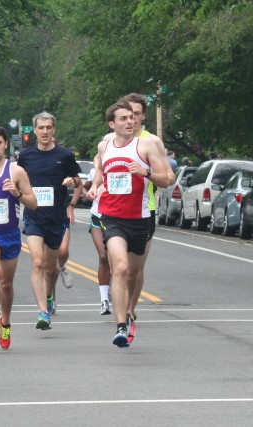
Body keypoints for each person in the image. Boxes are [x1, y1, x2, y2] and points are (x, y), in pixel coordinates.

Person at [87, 101, 169, 347]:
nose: (130, 122)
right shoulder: (104, 146)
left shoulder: (146, 146)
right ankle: (120, 325)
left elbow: (166, 179)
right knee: (119, 268)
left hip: (140, 217)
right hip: (111, 216)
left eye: (132, 117)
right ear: (112, 124)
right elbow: (101, 170)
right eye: (123, 118)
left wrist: (145, 173)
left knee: (133, 272)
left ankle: (130, 312)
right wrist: (94, 186)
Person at [17, 111, 81, 330]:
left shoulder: (64, 155)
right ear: (34, 130)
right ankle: (43, 311)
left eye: (48, 128)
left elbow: (80, 181)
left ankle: (50, 297)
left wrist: (72, 181)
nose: (44, 132)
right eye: (40, 128)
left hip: (56, 217)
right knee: (37, 262)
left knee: (51, 268)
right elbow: (18, 180)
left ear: (54, 130)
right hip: (34, 215)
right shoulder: (26, 156)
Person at [0, 125, 37, 349]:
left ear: (5, 144)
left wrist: (17, 193)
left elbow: (34, 204)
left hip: (10, 235)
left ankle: (7, 322)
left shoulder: (16, 172)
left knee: (6, 283)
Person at [46, 137, 81, 315]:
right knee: (47, 265)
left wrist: (72, 206)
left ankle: (63, 266)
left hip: (60, 213)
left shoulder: (64, 157)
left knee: (62, 251)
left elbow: (78, 183)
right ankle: (50, 300)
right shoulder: (32, 158)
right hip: (41, 216)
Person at [84, 167, 111, 315]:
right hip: (97, 216)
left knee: (115, 260)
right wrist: (86, 194)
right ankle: (104, 300)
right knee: (103, 256)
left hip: (115, 218)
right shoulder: (95, 170)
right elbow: (87, 186)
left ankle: (113, 284)